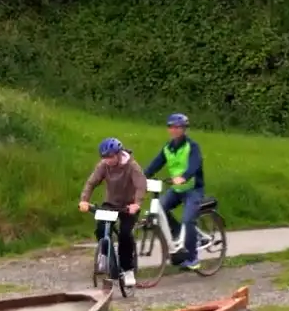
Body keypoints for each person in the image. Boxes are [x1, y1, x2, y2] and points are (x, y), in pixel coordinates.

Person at [142, 113, 206, 270]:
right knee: (159, 209)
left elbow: (194, 165)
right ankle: (181, 234)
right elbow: (154, 165)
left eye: (178, 127)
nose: (175, 130)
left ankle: (193, 258)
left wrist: (184, 176)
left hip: (193, 189)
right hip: (176, 189)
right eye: (171, 127)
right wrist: (141, 178)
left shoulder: (192, 146)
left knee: (187, 220)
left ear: (184, 129)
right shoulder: (167, 148)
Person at [80, 137, 143, 288]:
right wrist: (84, 200)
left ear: (119, 154)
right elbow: (91, 182)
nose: (107, 160)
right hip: (111, 203)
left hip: (129, 205)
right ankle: (106, 256)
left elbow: (141, 186)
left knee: (124, 234)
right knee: (101, 229)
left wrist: (137, 203)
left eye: (110, 157)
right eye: (104, 157)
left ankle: (128, 270)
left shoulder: (132, 166)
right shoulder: (103, 166)